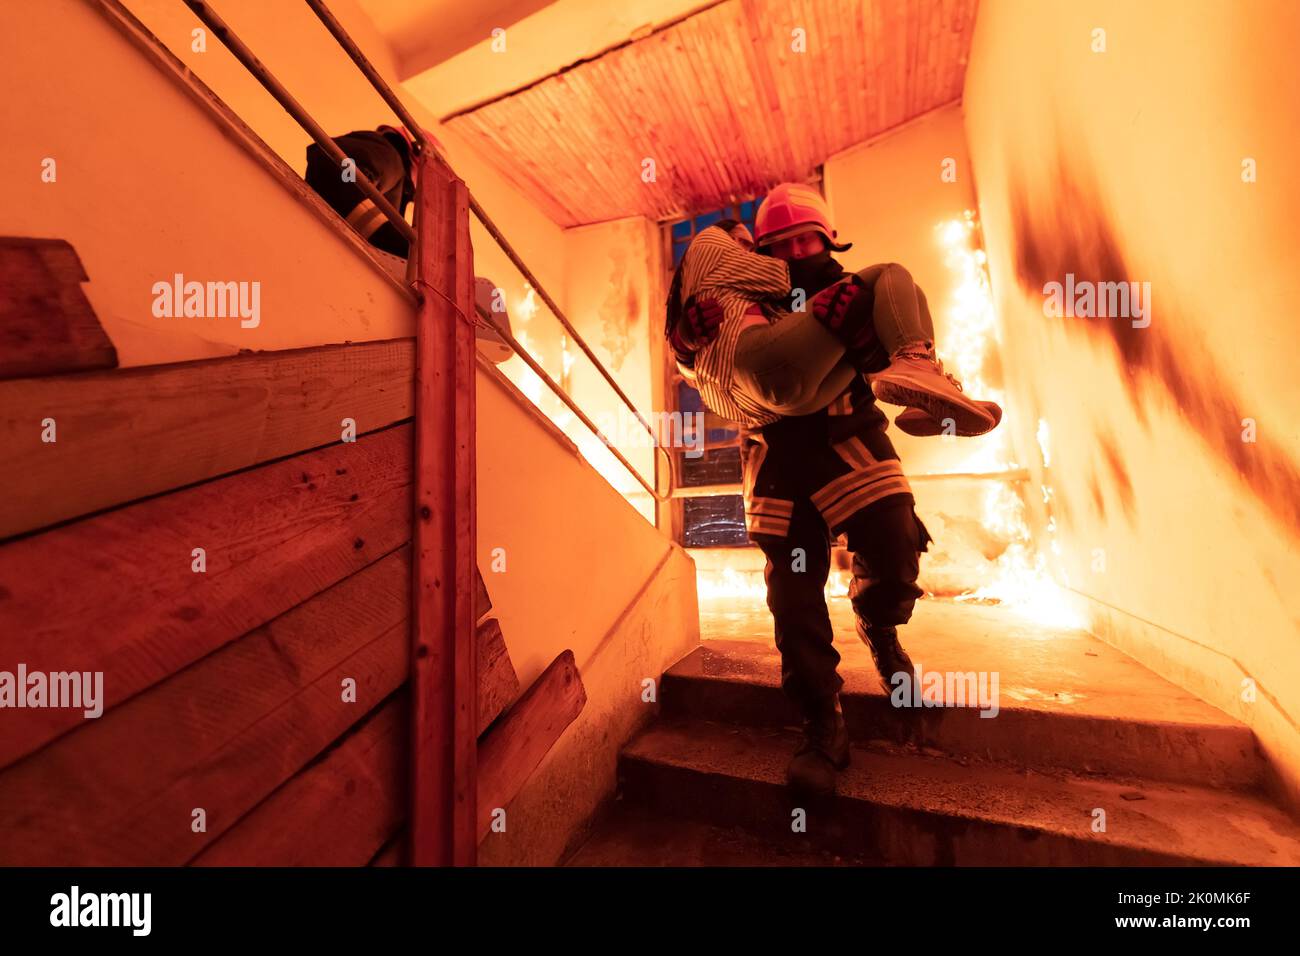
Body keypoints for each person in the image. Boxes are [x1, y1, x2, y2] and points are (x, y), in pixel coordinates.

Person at [669, 218, 931, 796]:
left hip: (850, 438)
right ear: (760, 254)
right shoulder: (749, 294)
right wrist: (687, 342)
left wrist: (866, 339)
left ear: (828, 242)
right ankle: (821, 723)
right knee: (793, 596)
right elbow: (711, 371)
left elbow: (881, 359)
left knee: (896, 549)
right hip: (777, 455)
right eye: (777, 243)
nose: (791, 249)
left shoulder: (858, 293)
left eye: (802, 239)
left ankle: (880, 627)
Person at [305, 125, 416, 258]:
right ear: (417, 152)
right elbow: (333, 167)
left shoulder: (393, 185)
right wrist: (406, 250)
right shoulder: (390, 154)